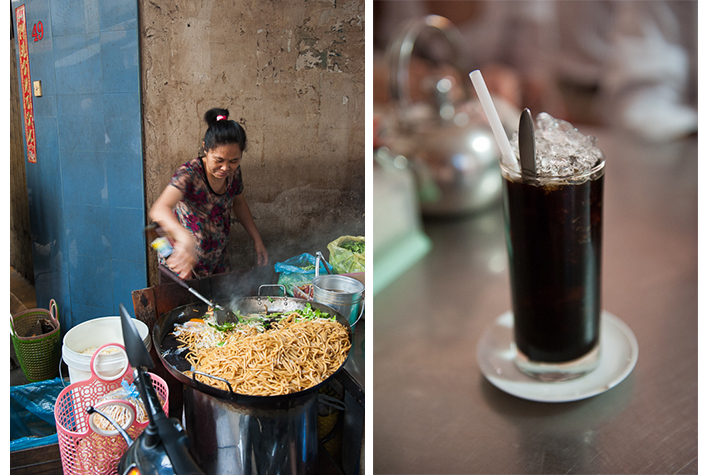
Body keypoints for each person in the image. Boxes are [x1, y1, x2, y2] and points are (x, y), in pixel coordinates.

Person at [149, 108, 268, 279]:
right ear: (206, 148)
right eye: (219, 160)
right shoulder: (189, 174)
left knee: (221, 304)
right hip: (182, 261)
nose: (226, 168)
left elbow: (239, 203)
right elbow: (159, 209)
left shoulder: (234, 173)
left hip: (217, 259)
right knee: (185, 305)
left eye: (234, 161)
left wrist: (257, 239)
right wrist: (183, 238)